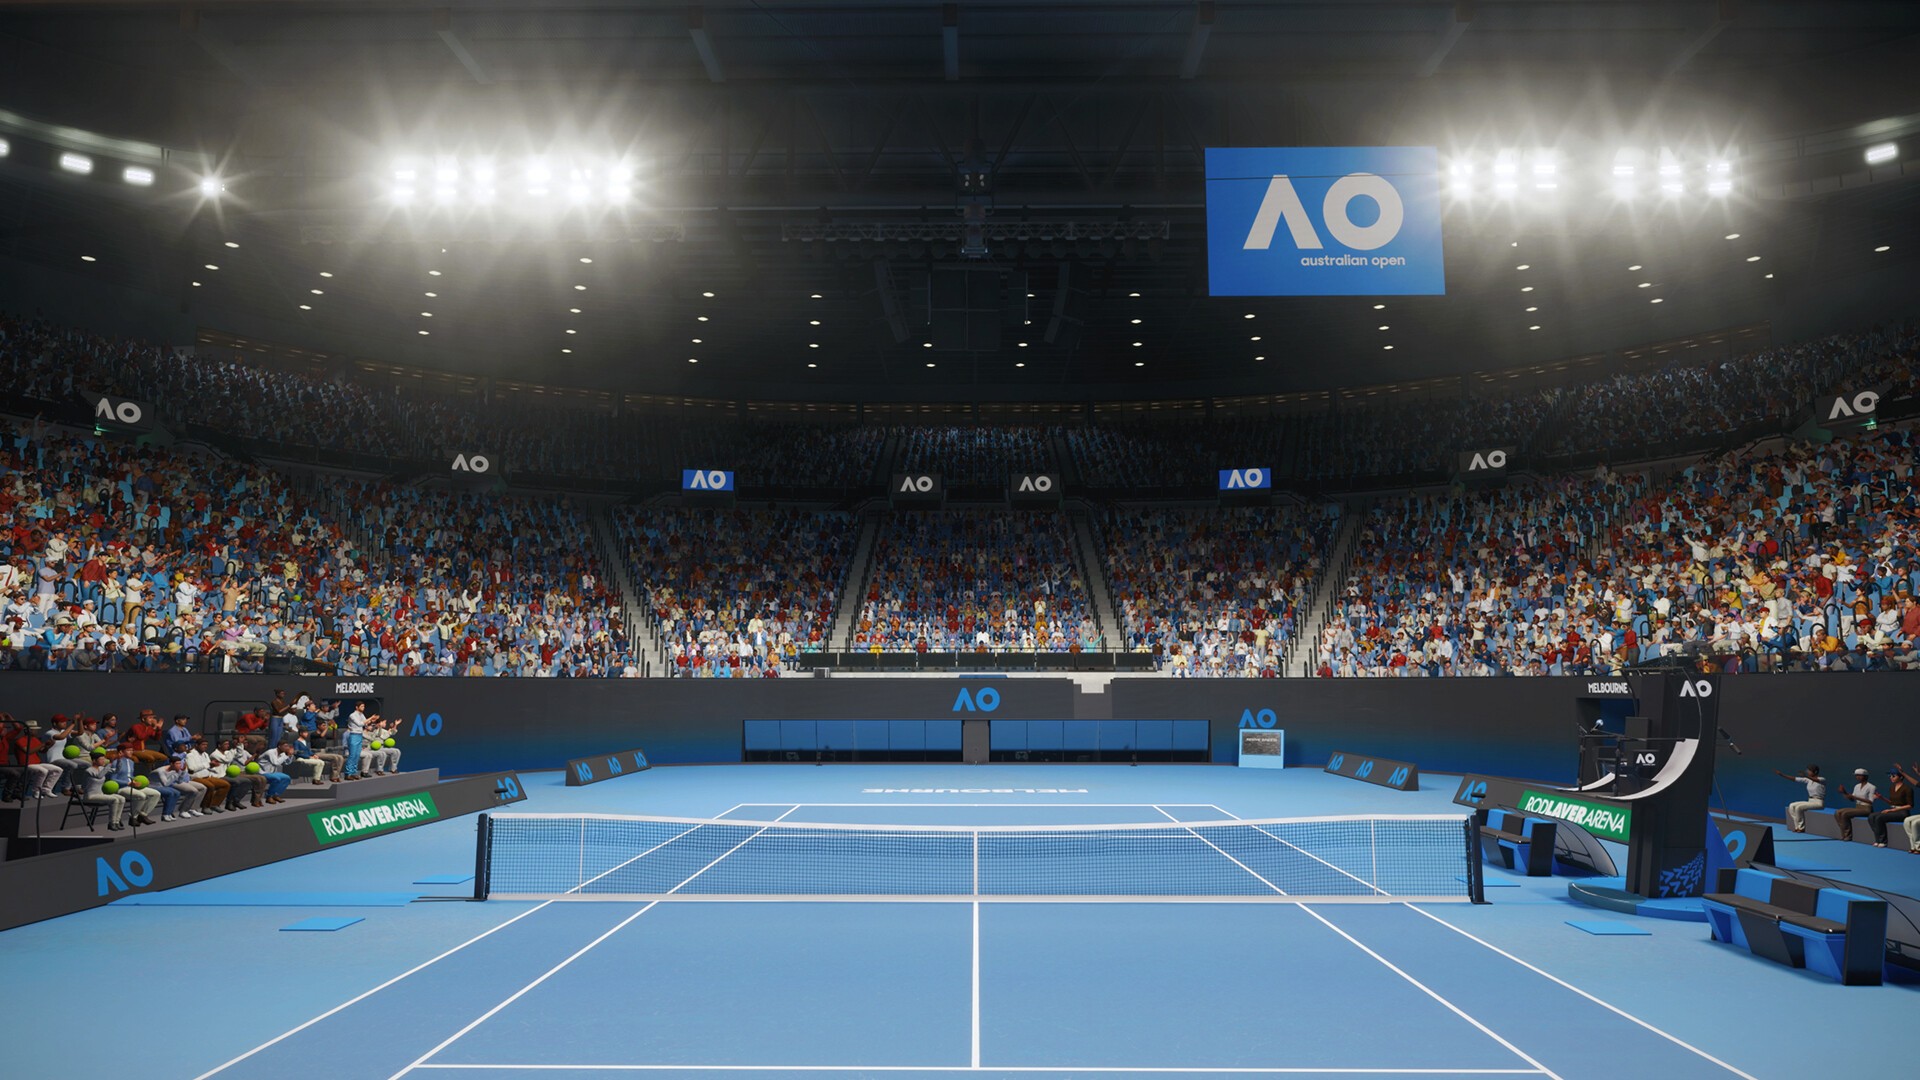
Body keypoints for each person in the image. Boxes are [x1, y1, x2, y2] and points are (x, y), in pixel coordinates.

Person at [105, 747, 162, 826]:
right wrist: (128, 783)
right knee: (141, 796)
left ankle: (142, 815)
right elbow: (113, 779)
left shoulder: (131, 762)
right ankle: (133, 817)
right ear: (121, 752)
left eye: (132, 750)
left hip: (132, 786)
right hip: (122, 788)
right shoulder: (115, 763)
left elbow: (130, 776)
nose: (131, 752)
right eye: (128, 750)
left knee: (156, 794)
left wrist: (140, 781)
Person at [76, 749, 130, 830]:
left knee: (122, 798)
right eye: (101, 759)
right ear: (94, 761)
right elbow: (99, 776)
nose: (103, 761)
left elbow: (116, 771)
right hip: (91, 796)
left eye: (104, 759)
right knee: (114, 800)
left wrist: (118, 760)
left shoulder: (102, 768)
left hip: (100, 794)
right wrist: (110, 763)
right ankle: (111, 823)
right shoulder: (89, 771)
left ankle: (116, 821)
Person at [183, 737, 233, 813]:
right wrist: (207, 764)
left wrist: (212, 767)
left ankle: (215, 804)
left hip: (208, 776)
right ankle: (205, 807)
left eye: (206, 745)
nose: (205, 746)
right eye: (203, 744)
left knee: (225, 785)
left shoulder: (205, 754)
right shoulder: (190, 755)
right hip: (196, 778)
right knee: (210, 786)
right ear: (196, 745)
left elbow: (208, 767)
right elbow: (192, 769)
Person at [1869, 766, 1913, 849]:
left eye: (1893, 776)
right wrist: (1881, 798)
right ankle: (1877, 839)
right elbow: (1892, 803)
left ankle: (1883, 841)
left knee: (1879, 818)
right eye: (1890, 776)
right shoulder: (1892, 788)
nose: (1891, 777)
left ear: (1901, 777)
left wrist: (1892, 810)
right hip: (1893, 810)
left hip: (1902, 813)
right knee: (1871, 816)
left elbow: (1910, 806)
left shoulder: (1907, 789)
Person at [1775, 765, 1827, 833]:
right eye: (1807, 770)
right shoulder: (1808, 780)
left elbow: (1816, 780)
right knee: (1792, 805)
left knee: (1798, 808)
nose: (1807, 772)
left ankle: (1801, 828)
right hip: (1810, 801)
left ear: (1815, 772)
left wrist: (1805, 776)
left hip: (1818, 802)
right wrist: (1782, 775)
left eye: (1809, 770)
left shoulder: (1822, 779)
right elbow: (1795, 779)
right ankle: (1797, 827)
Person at [154, 755, 207, 820]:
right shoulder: (163, 770)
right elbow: (167, 783)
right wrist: (178, 772)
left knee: (203, 788)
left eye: (180, 763)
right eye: (177, 763)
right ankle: (183, 810)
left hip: (182, 781)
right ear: (171, 764)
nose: (179, 765)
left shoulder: (180, 765)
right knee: (193, 791)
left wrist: (183, 771)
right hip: (170, 783)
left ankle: (192, 808)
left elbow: (180, 780)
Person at [1833, 768, 1879, 842]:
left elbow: (1871, 801)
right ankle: (1843, 834)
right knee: (1837, 812)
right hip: (1858, 807)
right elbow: (1852, 799)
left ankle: (1848, 836)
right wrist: (1844, 792)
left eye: (1859, 775)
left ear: (1866, 776)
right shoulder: (1856, 786)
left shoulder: (1871, 787)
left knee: (1845, 814)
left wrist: (1855, 797)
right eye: (1856, 775)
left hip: (1867, 809)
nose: (1857, 777)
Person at [343, 701, 372, 780]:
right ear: (357, 707)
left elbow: (365, 723)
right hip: (353, 735)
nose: (363, 708)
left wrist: (371, 721)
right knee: (352, 755)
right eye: (362, 706)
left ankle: (353, 772)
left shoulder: (361, 715)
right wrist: (370, 718)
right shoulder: (352, 715)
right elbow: (360, 724)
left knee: (357, 755)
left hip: (359, 735)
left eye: (364, 706)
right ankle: (348, 773)